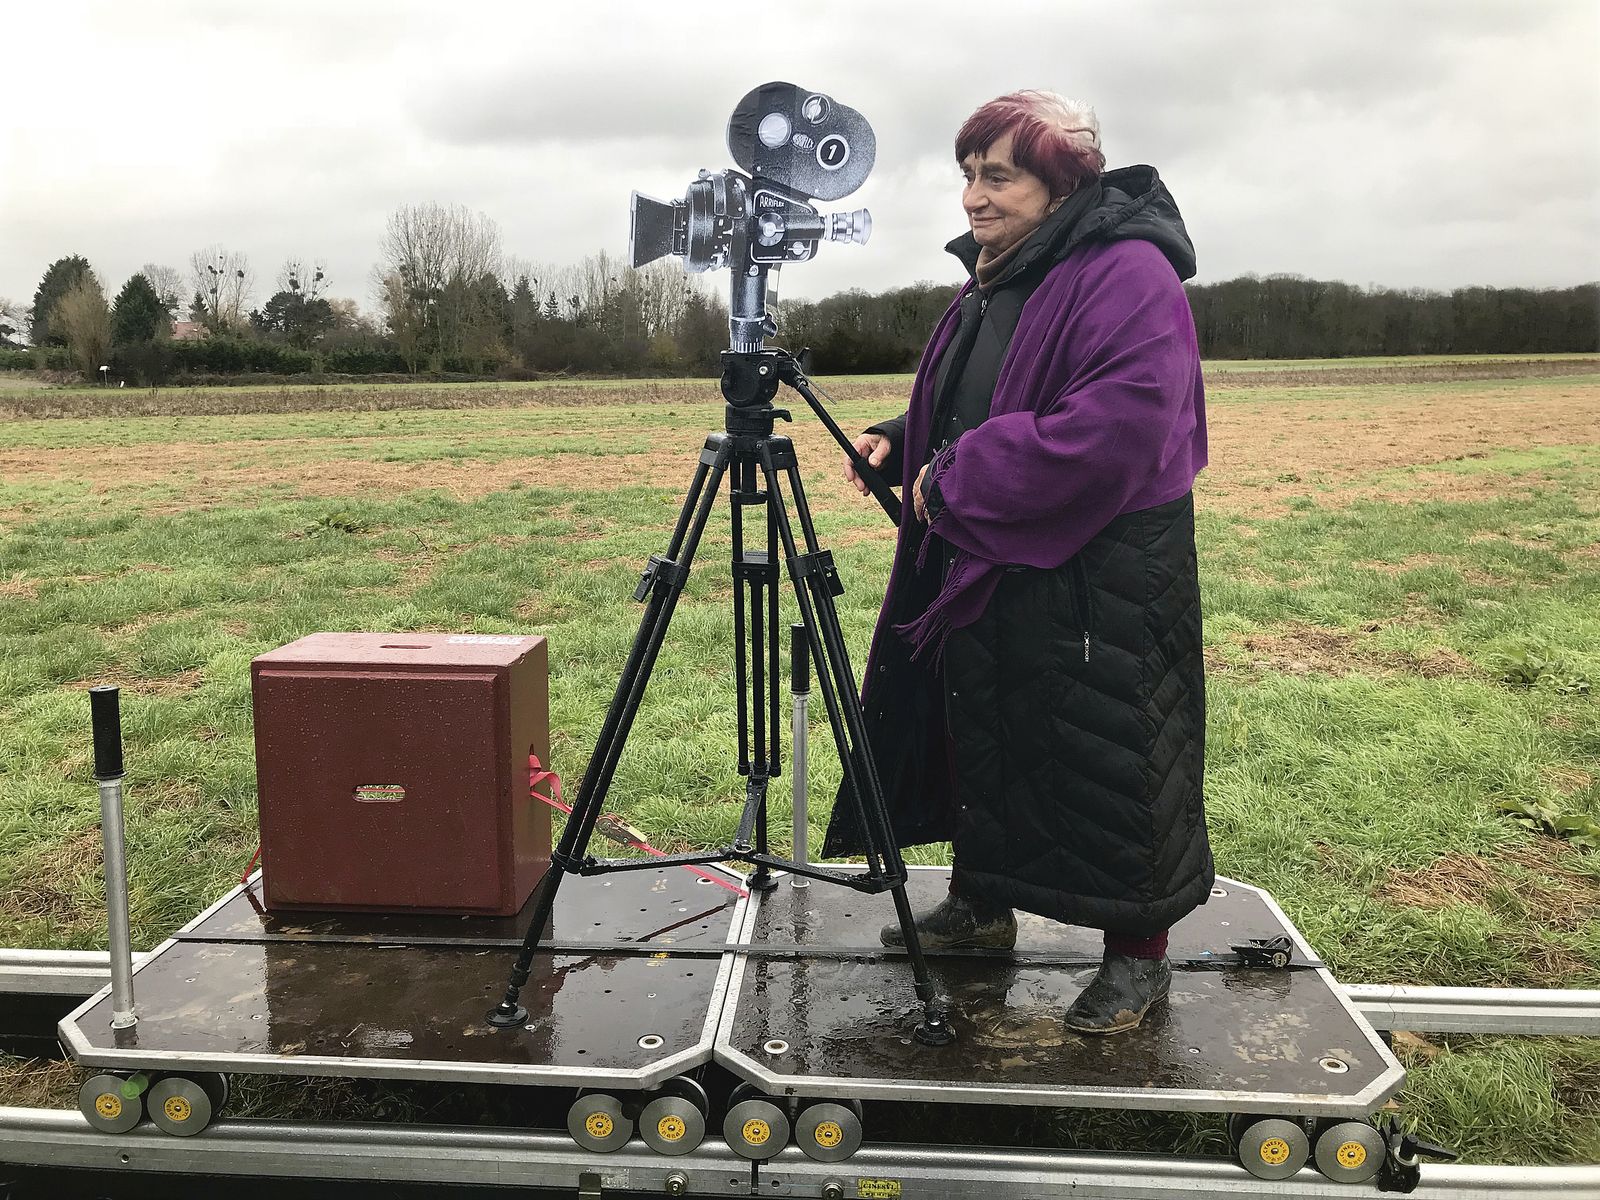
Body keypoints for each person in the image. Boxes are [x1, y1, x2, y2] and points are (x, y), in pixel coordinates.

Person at [826, 90, 1212, 1035]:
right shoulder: (1004, 273)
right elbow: (979, 396)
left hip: (1105, 572)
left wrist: (959, 477)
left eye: (997, 175)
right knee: (986, 732)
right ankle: (981, 903)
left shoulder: (1127, 272)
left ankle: (1137, 957)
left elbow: (1115, 427)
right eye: (968, 174)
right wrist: (901, 435)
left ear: (1061, 180)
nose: (972, 197)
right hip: (994, 552)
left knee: (1112, 751)